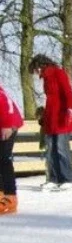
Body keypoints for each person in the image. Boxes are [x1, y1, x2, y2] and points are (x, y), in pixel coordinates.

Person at [28, 54, 72, 191]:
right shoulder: (46, 77)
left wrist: (70, 110)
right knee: (50, 150)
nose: (36, 73)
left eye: (36, 69)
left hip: (61, 117)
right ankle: (53, 179)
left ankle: (68, 178)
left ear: (41, 65)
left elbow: (68, 93)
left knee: (61, 149)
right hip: (51, 117)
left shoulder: (58, 73)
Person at [0, 83, 23, 215]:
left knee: (3, 158)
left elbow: (6, 103)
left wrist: (7, 125)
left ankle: (10, 196)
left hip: (9, 124)